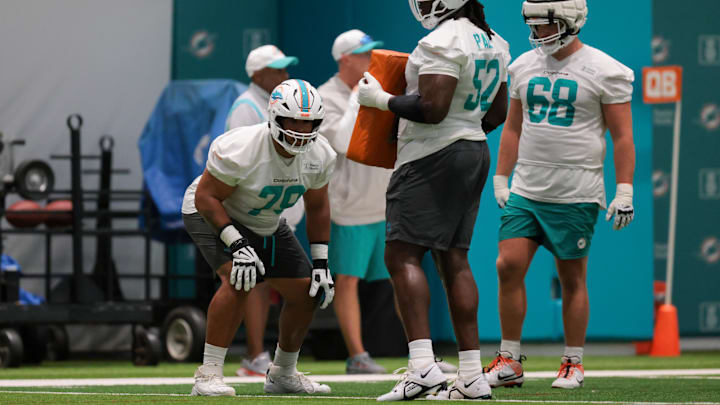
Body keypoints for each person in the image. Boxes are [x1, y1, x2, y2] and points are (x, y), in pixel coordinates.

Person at [358, 0, 510, 400]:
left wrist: (381, 101)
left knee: (402, 255)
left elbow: (432, 108)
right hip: (474, 150)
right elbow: (499, 111)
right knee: (454, 258)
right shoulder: (496, 40)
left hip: (432, 154)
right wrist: (465, 132)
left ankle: (422, 367)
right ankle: (472, 376)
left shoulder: (441, 40)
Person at [483, 0, 635, 390]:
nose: (537, 35)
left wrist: (624, 188)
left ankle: (573, 361)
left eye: (545, 26)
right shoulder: (522, 65)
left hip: (576, 190)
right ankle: (509, 359)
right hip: (528, 187)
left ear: (571, 22)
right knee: (507, 265)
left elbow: (622, 136)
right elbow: (513, 129)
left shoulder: (605, 69)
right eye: (532, 26)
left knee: (571, 277)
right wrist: (502, 177)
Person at [182, 79, 337, 396]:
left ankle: (282, 373)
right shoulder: (241, 147)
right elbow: (207, 198)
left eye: (308, 123)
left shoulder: (320, 154)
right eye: (293, 120)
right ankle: (208, 375)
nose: (300, 130)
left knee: (308, 291)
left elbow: (319, 207)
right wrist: (236, 243)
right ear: (275, 117)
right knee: (241, 279)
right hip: (214, 211)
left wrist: (320, 262)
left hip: (265, 219)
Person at [225, 44, 304, 377]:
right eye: (277, 70)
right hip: (255, 213)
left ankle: (273, 358)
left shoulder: (274, 104)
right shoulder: (245, 108)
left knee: (276, 285)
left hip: (279, 212)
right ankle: (255, 356)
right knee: (254, 282)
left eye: (286, 69)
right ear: (258, 75)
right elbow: (237, 166)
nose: (285, 75)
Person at [317, 28, 391, 375]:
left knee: (401, 275)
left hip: (384, 202)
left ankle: (421, 353)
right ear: (345, 59)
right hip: (349, 207)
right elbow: (344, 142)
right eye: (363, 55)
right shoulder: (325, 97)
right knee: (346, 280)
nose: (370, 60)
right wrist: (357, 97)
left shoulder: (377, 88)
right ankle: (357, 356)